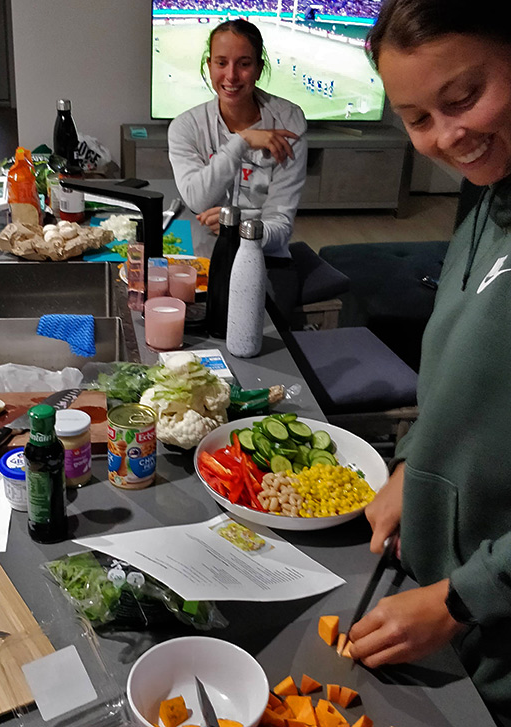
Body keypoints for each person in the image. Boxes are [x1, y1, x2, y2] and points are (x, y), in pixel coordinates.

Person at [346, 1, 511, 723]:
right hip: (449, 606)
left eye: (464, 97)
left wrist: (460, 599)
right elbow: (461, 372)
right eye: (417, 118)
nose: (448, 136)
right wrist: (414, 461)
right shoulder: (486, 195)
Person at [167, 19, 307, 258]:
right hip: (205, 254)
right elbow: (197, 201)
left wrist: (235, 227)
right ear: (209, 66)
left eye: (244, 64)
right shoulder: (185, 126)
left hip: (266, 258)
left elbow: (281, 225)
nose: (231, 76)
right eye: (221, 63)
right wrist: (241, 142)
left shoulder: (288, 122)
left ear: (259, 69)